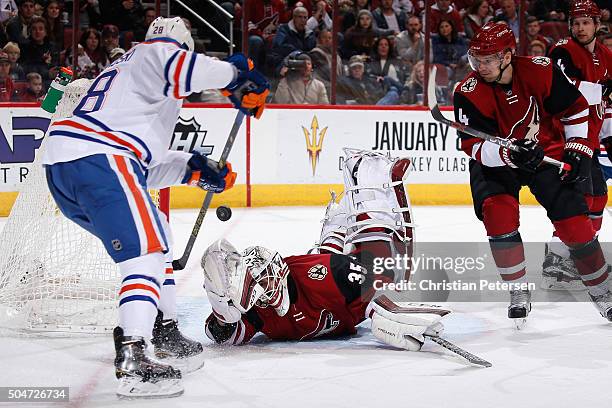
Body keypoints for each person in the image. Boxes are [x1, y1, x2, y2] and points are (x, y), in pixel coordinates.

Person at [41, 17, 269, 398]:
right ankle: (133, 355)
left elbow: (140, 169)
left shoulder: (131, 81)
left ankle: (163, 330)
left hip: (77, 166)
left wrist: (192, 169)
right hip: (99, 158)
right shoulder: (152, 55)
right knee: (145, 255)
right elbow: (182, 67)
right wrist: (234, 75)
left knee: (157, 236)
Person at [453, 22, 612, 324]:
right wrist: (507, 153)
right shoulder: (468, 92)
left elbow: (575, 109)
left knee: (576, 223)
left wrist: (578, 148)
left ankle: (604, 292)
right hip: (496, 163)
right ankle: (518, 290)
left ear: (507, 56)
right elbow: (473, 145)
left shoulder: (541, 70)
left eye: (488, 59)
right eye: (477, 59)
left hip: (546, 153)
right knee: (497, 214)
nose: (480, 67)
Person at [201, 148, 439, 351]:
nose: (263, 299)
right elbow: (223, 336)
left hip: (325, 274)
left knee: (389, 270)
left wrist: (384, 313)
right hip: (324, 278)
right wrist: (222, 312)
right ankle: (335, 228)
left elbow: (379, 283)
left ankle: (370, 179)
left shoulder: (323, 276)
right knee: (329, 258)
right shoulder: (259, 312)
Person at [543, 0, 612, 290]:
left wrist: (607, 134)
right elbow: (562, 85)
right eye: (576, 22)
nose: (580, 27)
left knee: (597, 198)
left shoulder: (606, 55)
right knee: (579, 199)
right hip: (565, 138)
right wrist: (602, 90)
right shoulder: (562, 51)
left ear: (598, 25)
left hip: (590, 138)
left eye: (586, 22)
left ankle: (576, 256)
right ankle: (557, 261)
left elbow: (606, 103)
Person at [269, 7, 316, 74]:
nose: (303, 20)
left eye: (305, 17)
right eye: (300, 17)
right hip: (282, 62)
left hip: (304, 61)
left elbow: (312, 49)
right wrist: (300, 53)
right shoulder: (283, 29)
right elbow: (282, 47)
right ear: (294, 18)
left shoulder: (309, 33)